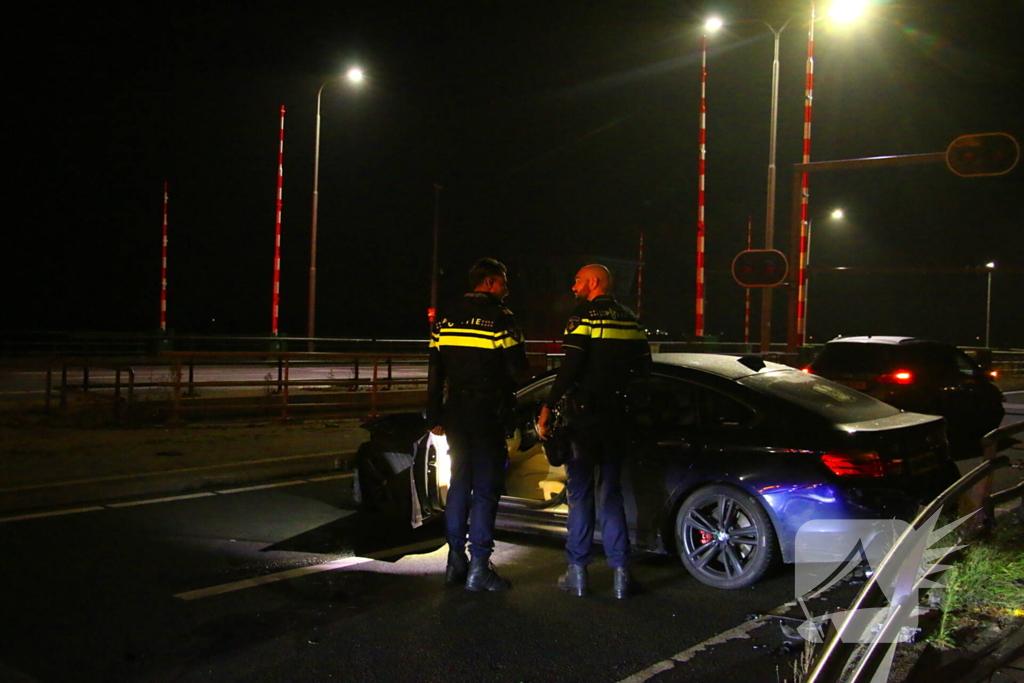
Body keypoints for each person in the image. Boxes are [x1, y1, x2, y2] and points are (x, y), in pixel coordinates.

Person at [537, 264, 651, 599]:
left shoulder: (584, 315)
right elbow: (644, 368)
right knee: (611, 494)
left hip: (584, 420)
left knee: (580, 494)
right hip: (617, 417)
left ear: (593, 283)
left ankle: (578, 573)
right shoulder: (630, 318)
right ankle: (621, 575)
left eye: (577, 280)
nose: (573, 286)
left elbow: (569, 367)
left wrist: (547, 407)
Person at [427, 257, 530, 591]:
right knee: (485, 490)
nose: (506, 288)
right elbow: (518, 369)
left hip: (455, 411)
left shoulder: (446, 317)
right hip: (487, 412)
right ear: (488, 282)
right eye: (502, 282)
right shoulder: (501, 318)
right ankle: (479, 568)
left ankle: (454, 562)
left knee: (459, 483)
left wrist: (434, 414)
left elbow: (434, 372)